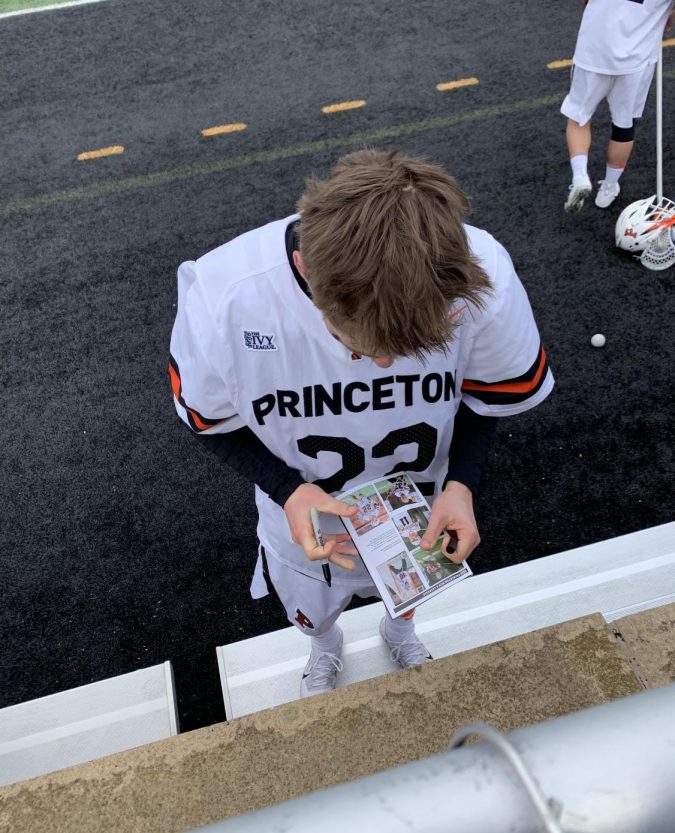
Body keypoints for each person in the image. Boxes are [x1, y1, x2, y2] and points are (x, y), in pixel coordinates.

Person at [169, 149, 554, 699]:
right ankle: (324, 650)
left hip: (419, 505)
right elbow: (206, 419)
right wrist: (288, 489)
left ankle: (398, 629)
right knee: (313, 612)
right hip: (303, 518)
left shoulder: (482, 275)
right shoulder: (225, 297)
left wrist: (462, 483)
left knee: (412, 592)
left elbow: (486, 394)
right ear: (304, 268)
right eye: (359, 342)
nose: (380, 365)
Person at [562, 0, 675, 212]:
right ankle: (609, 186)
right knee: (624, 123)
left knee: (579, 116)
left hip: (593, 51)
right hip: (635, 59)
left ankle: (579, 175)